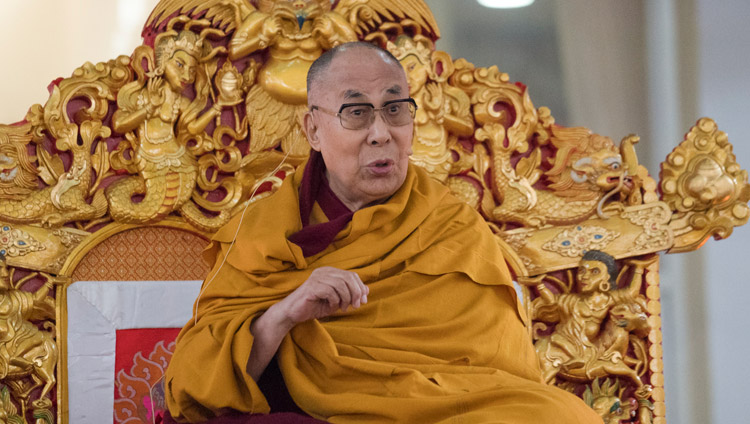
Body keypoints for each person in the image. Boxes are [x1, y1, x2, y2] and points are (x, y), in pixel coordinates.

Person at [165, 41, 603, 424]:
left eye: (395, 110)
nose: (381, 134)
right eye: (356, 113)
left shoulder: (451, 226)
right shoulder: (262, 234)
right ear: (313, 129)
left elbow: (496, 376)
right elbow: (194, 387)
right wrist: (285, 312)